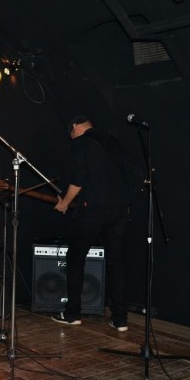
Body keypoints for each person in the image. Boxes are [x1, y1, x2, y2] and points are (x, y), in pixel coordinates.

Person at [52, 115, 135, 332]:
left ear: (76, 127)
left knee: (75, 258)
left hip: (94, 211)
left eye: (71, 134)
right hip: (120, 210)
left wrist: (65, 203)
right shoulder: (113, 141)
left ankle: (72, 314)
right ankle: (120, 319)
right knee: (117, 263)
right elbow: (130, 174)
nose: (72, 138)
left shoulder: (82, 143)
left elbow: (78, 180)